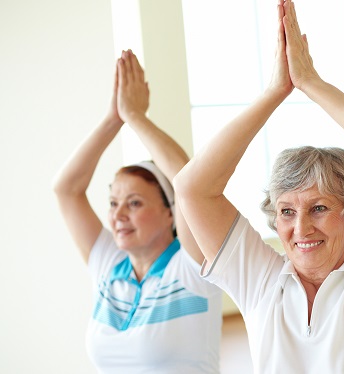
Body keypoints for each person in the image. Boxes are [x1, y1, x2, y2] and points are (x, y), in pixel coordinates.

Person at [173, 1, 344, 373]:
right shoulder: (261, 280)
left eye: (319, 208)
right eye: (286, 211)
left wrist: (311, 83)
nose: (301, 229)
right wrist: (273, 93)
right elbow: (192, 188)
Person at [53, 50, 222, 373]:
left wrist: (136, 117)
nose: (118, 216)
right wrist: (112, 119)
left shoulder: (193, 266)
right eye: (114, 203)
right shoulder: (109, 263)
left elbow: (187, 181)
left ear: (170, 211)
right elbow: (66, 189)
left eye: (134, 203)